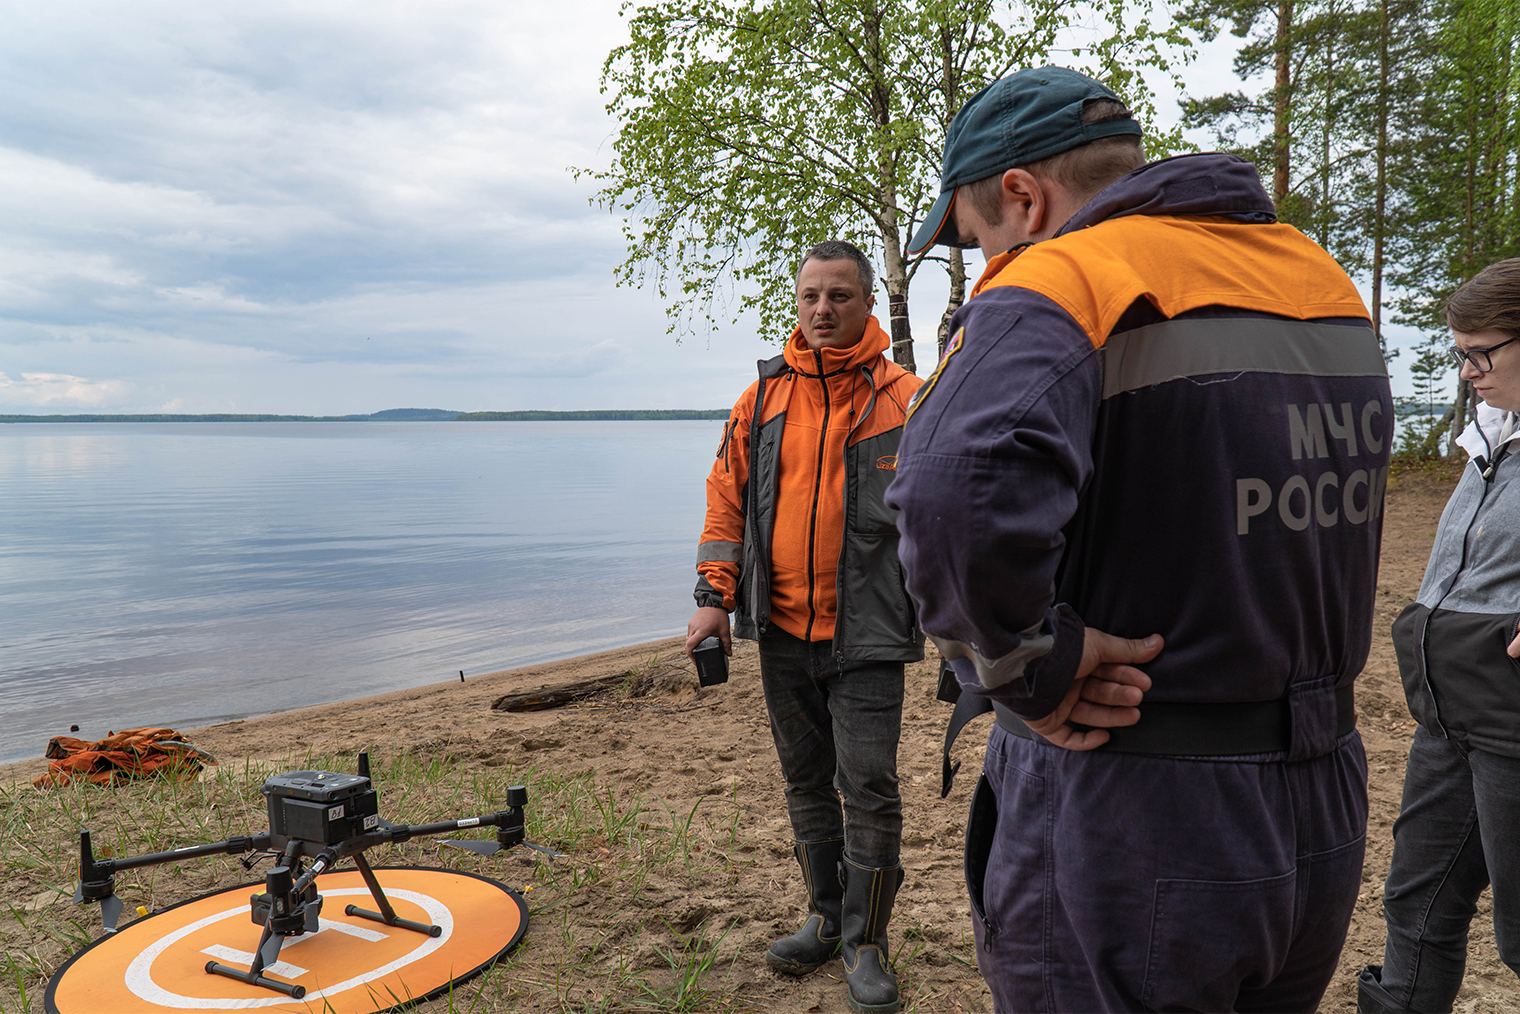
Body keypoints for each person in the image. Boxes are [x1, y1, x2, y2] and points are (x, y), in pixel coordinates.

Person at [885, 67, 1392, 1012]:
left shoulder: (1070, 277)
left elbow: (952, 492)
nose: (985, 260)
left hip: (1135, 799)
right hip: (1320, 803)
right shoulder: (1319, 279)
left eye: (975, 236)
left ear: (1023, 197)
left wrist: (1024, 668)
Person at [687, 240, 924, 1014]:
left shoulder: (908, 401)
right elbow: (727, 502)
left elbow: (945, 518)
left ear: (866, 305)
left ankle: (866, 941)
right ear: (797, 303)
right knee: (804, 782)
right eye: (809, 297)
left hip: (870, 635)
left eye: (839, 297)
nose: (822, 310)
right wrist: (712, 596)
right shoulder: (760, 402)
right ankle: (825, 917)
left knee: (872, 787)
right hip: (782, 632)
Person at [1358, 259, 1520, 1012]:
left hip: (1514, 727)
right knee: (1416, 910)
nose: (1467, 373)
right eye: (1459, 354)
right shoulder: (1493, 430)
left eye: (1480, 354)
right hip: (1447, 716)